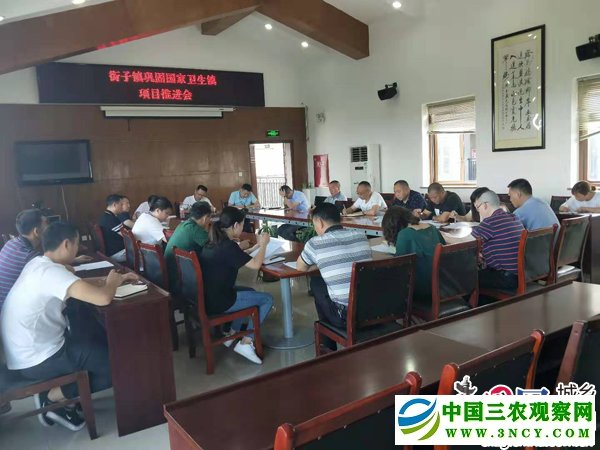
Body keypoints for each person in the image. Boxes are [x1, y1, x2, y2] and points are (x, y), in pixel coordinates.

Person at [0, 222, 137, 431]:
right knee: (118, 365)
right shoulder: (51, 273)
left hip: (25, 351)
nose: (78, 249)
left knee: (95, 341)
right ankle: (53, 398)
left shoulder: (39, 264)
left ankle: (64, 393)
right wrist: (111, 282)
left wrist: (117, 280)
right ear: (66, 244)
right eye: (76, 244)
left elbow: (77, 284)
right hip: (39, 358)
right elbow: (102, 298)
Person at [198, 207, 273, 364]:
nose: (242, 228)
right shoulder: (228, 246)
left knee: (249, 291)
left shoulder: (213, 241)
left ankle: (231, 334)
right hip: (220, 302)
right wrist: (264, 245)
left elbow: (236, 255)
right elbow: (256, 265)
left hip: (207, 297)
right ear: (235, 225)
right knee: (267, 299)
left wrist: (255, 247)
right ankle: (246, 342)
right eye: (242, 224)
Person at [295, 203, 372, 352]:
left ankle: (328, 347)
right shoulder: (361, 236)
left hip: (346, 317)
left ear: (319, 222)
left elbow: (300, 267)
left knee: (317, 283)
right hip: (373, 308)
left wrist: (321, 262)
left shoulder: (315, 243)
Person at [382, 206, 445, 300]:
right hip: (443, 286)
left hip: (422, 290)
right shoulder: (432, 227)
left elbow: (400, 267)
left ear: (393, 225)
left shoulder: (404, 234)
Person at [471, 190, 524, 292]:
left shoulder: (490, 222)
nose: (478, 211)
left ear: (485, 205)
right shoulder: (513, 217)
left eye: (477, 207)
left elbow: (468, 241)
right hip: (522, 274)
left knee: (465, 277)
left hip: (506, 277)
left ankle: (476, 302)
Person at [0, 210, 48, 308]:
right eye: (47, 223)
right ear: (36, 232)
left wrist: (74, 260)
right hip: (8, 309)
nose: (50, 227)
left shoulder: (11, 243)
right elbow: (54, 273)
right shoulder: (30, 255)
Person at [164, 201, 212, 291]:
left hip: (173, 274)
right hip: (182, 278)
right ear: (205, 217)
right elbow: (215, 247)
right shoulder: (194, 229)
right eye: (210, 218)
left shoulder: (183, 224)